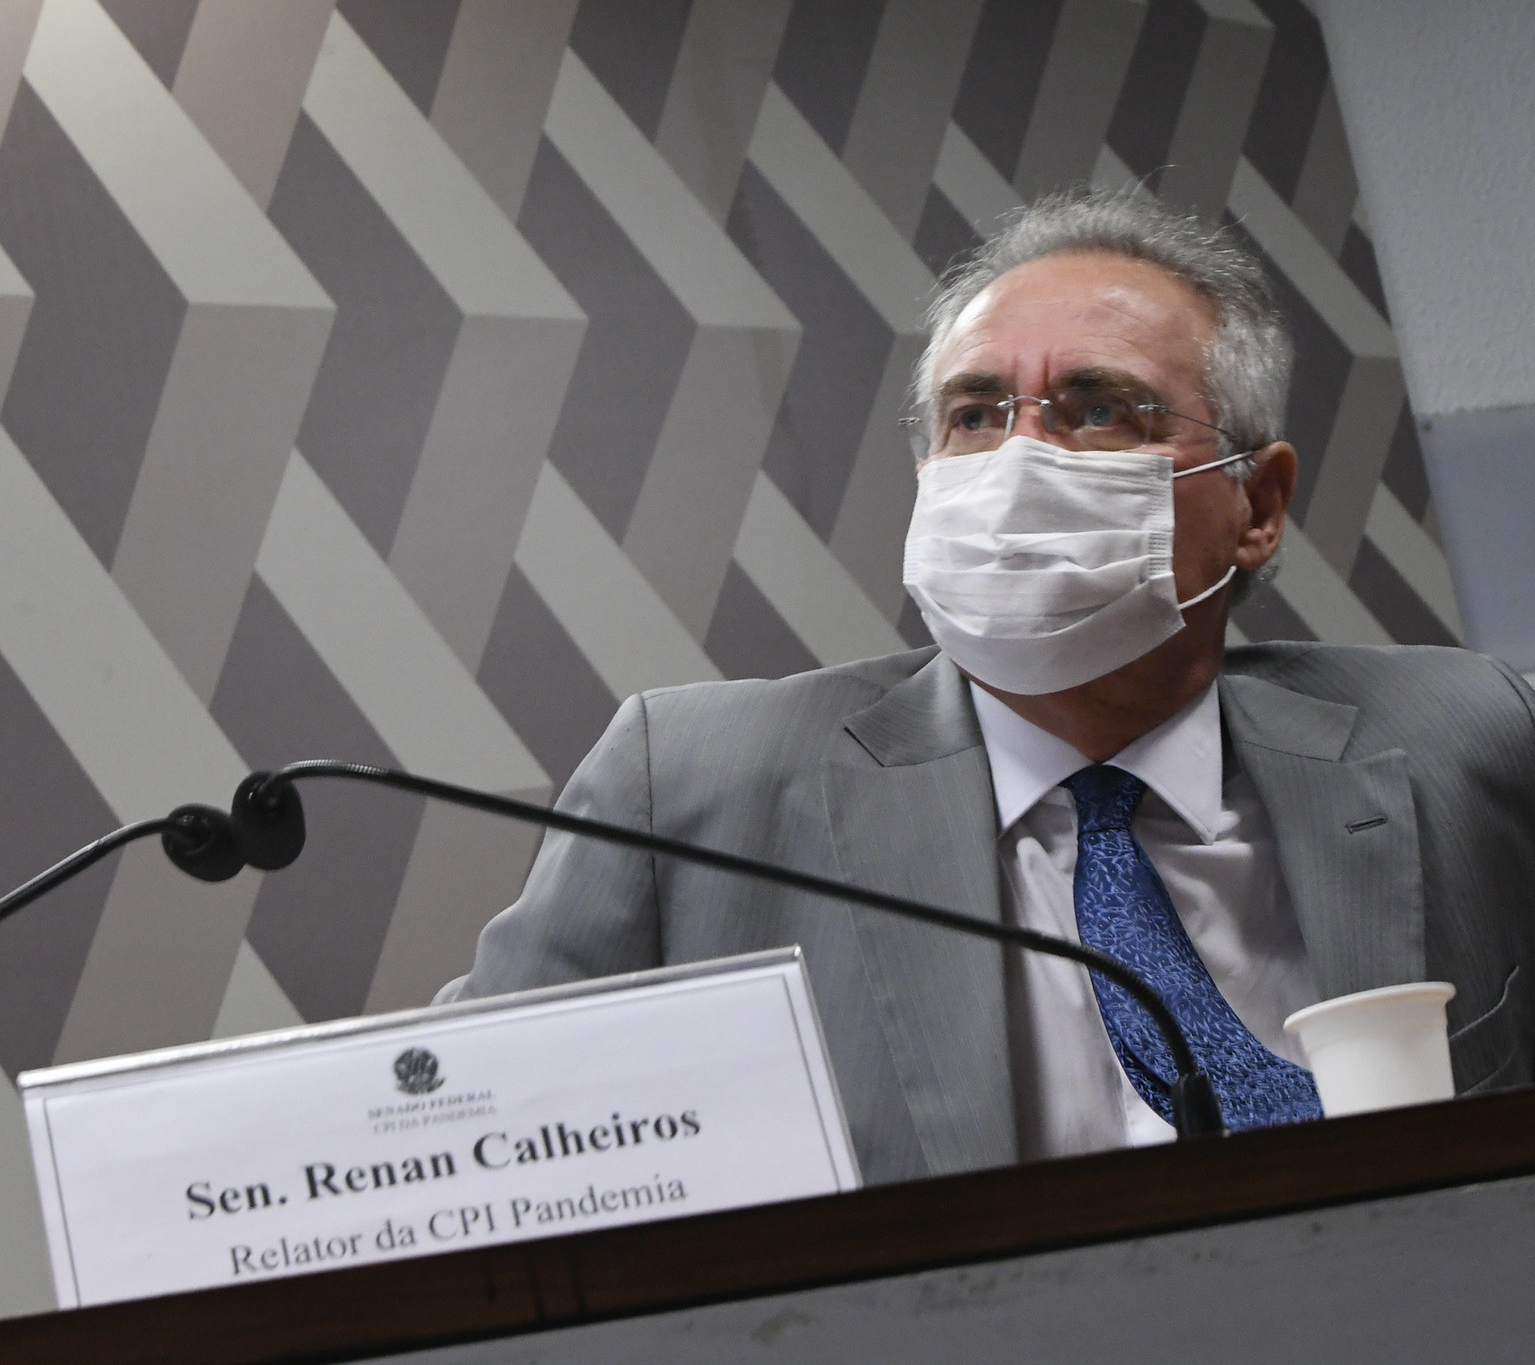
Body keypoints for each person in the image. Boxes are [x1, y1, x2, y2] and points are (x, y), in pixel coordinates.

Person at [439, 189, 1535, 1183]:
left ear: (1255, 506)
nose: (1016, 462)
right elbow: (457, 1146)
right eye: (972, 414)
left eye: (1097, 408)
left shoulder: (1470, 741)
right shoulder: (689, 789)